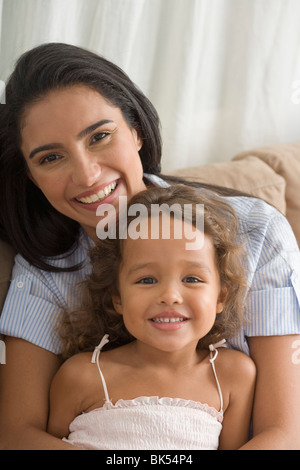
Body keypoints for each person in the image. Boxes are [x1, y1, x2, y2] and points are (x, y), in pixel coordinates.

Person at [0, 42, 299, 450]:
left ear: (136, 130)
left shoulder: (255, 230)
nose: (87, 175)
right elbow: (16, 434)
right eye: (51, 158)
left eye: (100, 136)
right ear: (32, 176)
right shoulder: (42, 274)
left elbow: (284, 432)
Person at [47, 185, 256, 450]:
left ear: (220, 297)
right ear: (117, 298)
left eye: (192, 279)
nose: (169, 296)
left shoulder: (232, 375)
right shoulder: (80, 375)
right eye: (147, 279)